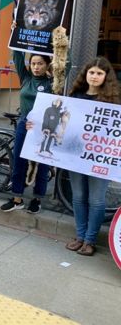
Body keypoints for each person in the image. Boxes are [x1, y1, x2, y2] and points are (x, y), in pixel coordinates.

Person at [62, 57, 120, 256]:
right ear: (85, 74)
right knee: (78, 197)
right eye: (92, 72)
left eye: (99, 73)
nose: (94, 77)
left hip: (99, 157)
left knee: (96, 199)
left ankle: (90, 240)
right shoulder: (75, 96)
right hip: (75, 155)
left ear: (106, 77)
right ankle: (80, 236)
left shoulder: (113, 101)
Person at [0, 23, 53, 215]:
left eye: (40, 64)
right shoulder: (26, 78)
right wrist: (15, 31)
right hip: (25, 124)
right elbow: (17, 54)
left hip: (45, 128)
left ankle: (37, 200)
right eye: (34, 63)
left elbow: (67, 65)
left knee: (42, 163)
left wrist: (62, 45)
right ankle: (17, 198)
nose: (36, 67)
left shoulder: (52, 83)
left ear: (47, 65)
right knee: (20, 161)